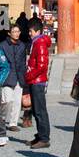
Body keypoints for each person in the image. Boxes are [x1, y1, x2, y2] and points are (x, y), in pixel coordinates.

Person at [24, 18, 52, 149]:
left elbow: (41, 65)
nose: (29, 33)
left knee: (40, 110)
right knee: (36, 110)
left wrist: (28, 75)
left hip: (37, 81)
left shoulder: (39, 43)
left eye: (31, 31)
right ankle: (41, 135)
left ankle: (44, 138)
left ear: (38, 31)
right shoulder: (36, 42)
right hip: (35, 80)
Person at [0, 24, 28, 133]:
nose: (16, 33)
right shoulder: (2, 45)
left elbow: (23, 62)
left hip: (19, 76)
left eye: (18, 31)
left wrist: (24, 76)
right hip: (7, 76)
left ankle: (13, 123)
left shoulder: (22, 45)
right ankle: (0, 117)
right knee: (7, 100)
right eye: (14, 31)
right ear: (9, 33)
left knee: (16, 102)